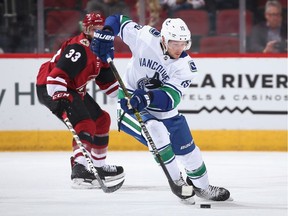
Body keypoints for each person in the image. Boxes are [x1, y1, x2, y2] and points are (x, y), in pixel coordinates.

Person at [91, 15, 231, 203]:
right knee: (156, 131)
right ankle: (177, 182)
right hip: (130, 102)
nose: (179, 48)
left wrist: (147, 97)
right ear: (163, 39)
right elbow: (117, 19)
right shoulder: (145, 37)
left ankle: (203, 187)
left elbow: (170, 99)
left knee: (190, 153)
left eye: (183, 43)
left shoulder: (186, 67)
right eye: (174, 43)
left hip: (159, 107)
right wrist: (108, 32)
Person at [36, 13, 124, 189]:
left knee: (101, 120)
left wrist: (127, 97)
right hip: (52, 87)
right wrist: (60, 97)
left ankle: (97, 168)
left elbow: (109, 85)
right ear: (86, 30)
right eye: (94, 30)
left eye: (101, 30)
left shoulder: (102, 50)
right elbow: (55, 77)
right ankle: (80, 169)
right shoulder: (79, 48)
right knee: (85, 123)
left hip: (73, 88)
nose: (98, 34)